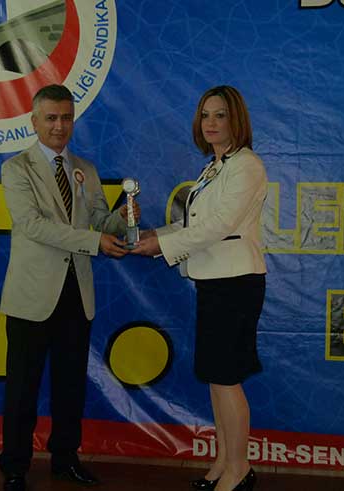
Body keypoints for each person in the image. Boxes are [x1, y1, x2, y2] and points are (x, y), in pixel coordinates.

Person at [0, 84, 138, 491]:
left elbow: (99, 221)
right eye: (51, 118)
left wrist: (123, 216)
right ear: (34, 121)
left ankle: (65, 458)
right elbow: (33, 226)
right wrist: (95, 240)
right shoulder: (16, 169)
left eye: (66, 118)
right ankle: (14, 468)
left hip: (77, 293)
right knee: (22, 389)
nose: (59, 126)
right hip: (31, 296)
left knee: (71, 384)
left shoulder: (85, 169)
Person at [132, 86, 267, 491]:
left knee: (226, 378)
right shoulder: (214, 167)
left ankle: (239, 470)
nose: (211, 122)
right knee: (216, 378)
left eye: (220, 115)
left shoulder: (246, 166)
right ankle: (224, 462)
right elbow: (195, 225)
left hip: (236, 283)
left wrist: (163, 246)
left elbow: (219, 226)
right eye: (205, 115)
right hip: (213, 281)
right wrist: (156, 235)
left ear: (236, 119)